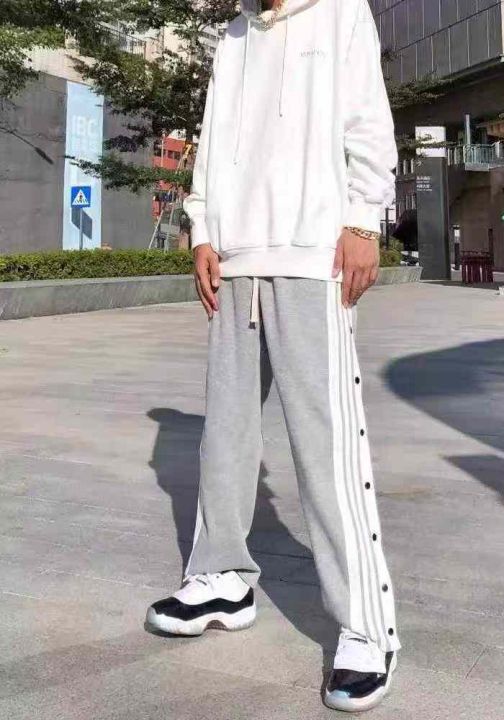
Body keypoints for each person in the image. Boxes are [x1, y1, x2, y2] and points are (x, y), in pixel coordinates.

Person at [146, 0, 400, 711]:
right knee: (226, 433)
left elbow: (368, 121)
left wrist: (362, 221)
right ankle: (222, 578)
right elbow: (213, 136)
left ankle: (365, 627)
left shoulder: (343, 13)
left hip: (313, 256)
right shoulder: (232, 35)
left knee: (325, 444)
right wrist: (203, 229)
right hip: (236, 260)